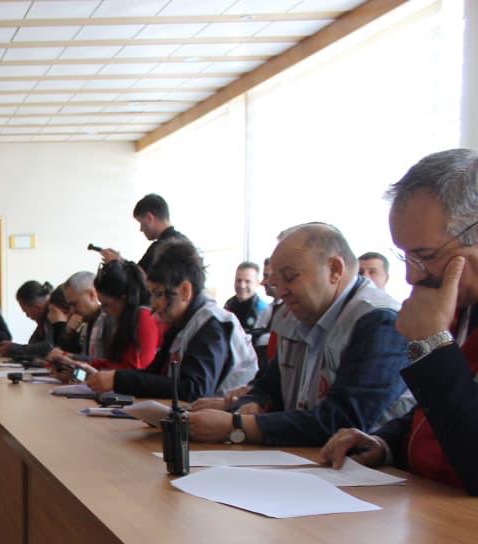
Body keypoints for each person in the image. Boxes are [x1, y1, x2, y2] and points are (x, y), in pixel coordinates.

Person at [321, 149, 478, 492]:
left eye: (425, 255)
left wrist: (432, 346)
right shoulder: (461, 307)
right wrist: (385, 443)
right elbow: (436, 416)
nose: (411, 276)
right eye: (404, 256)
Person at [188, 223, 411, 446]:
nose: (281, 292)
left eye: (290, 278)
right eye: (276, 281)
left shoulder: (382, 322)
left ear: (334, 269)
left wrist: (237, 425)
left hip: (359, 466)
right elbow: (268, 387)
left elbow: (343, 420)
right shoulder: (295, 314)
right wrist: (248, 403)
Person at [85, 241, 256, 402]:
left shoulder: (212, 325)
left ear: (185, 291)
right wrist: (115, 378)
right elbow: (155, 374)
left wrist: (119, 380)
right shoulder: (183, 323)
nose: (153, 304)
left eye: (158, 294)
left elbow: (195, 389)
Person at [86, 259, 159, 370]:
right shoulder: (128, 319)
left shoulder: (144, 318)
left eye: (106, 305)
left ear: (123, 299)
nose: (103, 311)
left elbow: (134, 370)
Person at [98, 193, 189, 275]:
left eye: (141, 222)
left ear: (149, 218)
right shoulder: (185, 243)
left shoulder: (161, 248)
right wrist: (121, 261)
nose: (141, 229)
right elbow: (141, 272)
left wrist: (114, 264)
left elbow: (139, 282)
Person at [49, 271, 109, 361]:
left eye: (74, 304)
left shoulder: (109, 320)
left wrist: (67, 355)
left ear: (91, 295)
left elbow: (108, 363)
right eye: (70, 305)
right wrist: (69, 333)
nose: (72, 311)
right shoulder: (84, 324)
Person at [0, 280, 64, 359]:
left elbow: (49, 347)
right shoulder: (43, 317)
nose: (27, 316)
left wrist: (14, 348)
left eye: (26, 312)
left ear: (37, 307)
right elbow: (32, 342)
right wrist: (13, 347)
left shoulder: (54, 311)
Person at [224, 261, 269, 361]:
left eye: (247, 281)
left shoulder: (263, 310)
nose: (242, 285)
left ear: (257, 283)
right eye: (238, 280)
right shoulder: (228, 305)